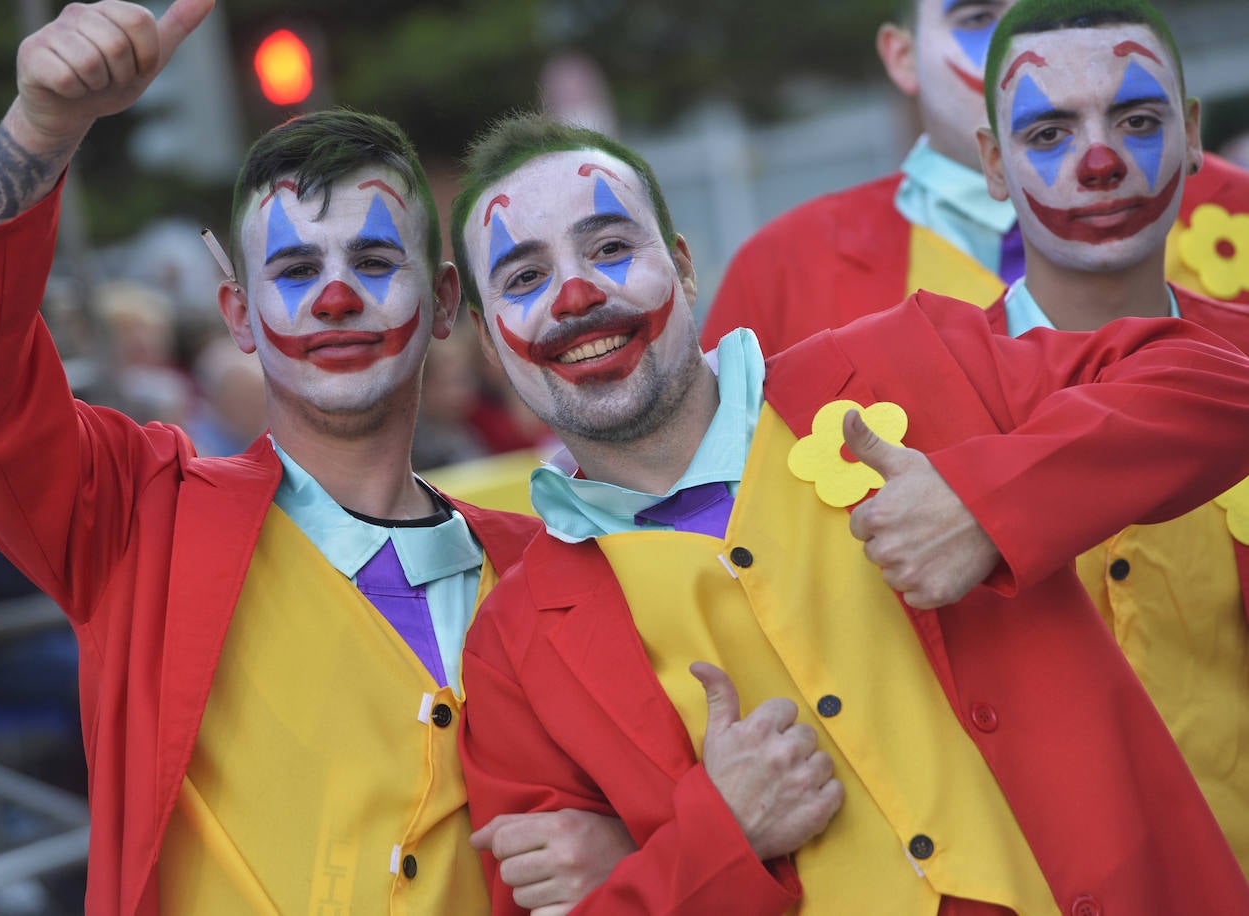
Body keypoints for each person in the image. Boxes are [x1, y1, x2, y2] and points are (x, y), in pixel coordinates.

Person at [0, 2, 623, 913]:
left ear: (442, 303)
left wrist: (618, 844)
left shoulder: (556, 574)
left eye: (376, 259)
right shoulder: (138, 518)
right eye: (295, 270)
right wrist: (43, 124)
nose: (338, 297)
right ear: (237, 313)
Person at [449, 113, 1249, 914]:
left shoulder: (908, 364)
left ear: (685, 268)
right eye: (524, 279)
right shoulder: (514, 647)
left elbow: (1221, 381)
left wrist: (993, 498)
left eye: (612, 248)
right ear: (488, 343)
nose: (578, 296)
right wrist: (717, 842)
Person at [972, 0, 1249, 872]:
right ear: (991, 162)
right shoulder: (910, 405)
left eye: (1136, 121)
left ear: (1193, 134)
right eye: (1049, 132)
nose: (1101, 164)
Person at [699, 0, 1249, 353]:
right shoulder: (783, 268)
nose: (1025, 35)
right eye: (978, 18)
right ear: (902, 56)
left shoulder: (1236, 210)